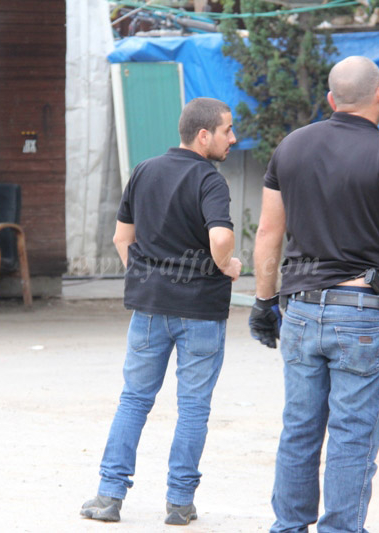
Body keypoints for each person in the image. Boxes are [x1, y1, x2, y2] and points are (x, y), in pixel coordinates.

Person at [248, 56, 379, 532]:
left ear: (331, 99)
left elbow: (267, 233)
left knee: (299, 429)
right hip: (361, 313)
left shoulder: (290, 147)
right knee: (352, 435)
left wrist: (263, 302)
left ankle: (288, 526)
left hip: (300, 311)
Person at [80, 97, 242, 526]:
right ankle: (179, 503)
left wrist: (145, 277)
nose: (233, 138)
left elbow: (121, 238)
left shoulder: (144, 171)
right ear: (204, 135)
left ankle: (108, 496)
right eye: (227, 130)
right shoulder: (210, 181)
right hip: (201, 311)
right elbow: (220, 238)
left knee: (134, 400)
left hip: (149, 308)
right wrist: (228, 264)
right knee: (193, 407)